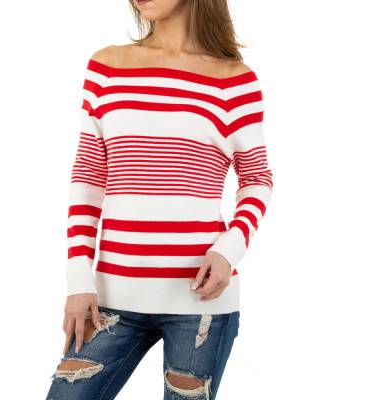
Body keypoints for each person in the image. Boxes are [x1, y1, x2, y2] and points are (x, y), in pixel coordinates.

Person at [46, 0, 273, 398]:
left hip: (200, 303)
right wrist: (78, 280)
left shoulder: (233, 81)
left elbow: (257, 178)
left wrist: (229, 251)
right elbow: (88, 177)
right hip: (109, 299)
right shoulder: (107, 67)